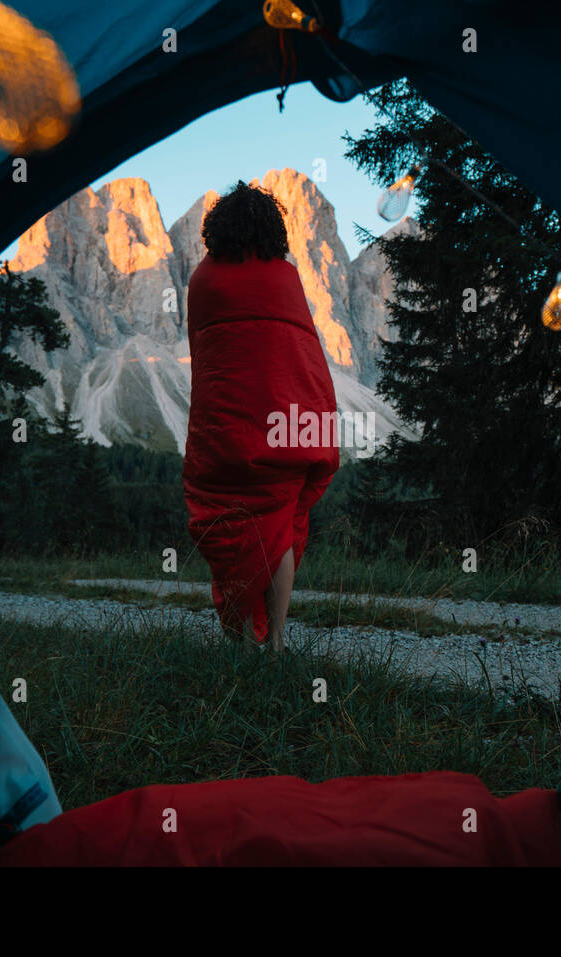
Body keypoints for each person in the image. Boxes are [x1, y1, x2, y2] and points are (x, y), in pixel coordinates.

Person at [182, 181, 339, 653]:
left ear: (218, 230)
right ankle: (276, 645)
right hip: (287, 425)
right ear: (272, 228)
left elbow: (206, 356)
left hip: (224, 433)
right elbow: (301, 351)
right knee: (280, 525)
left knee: (229, 526)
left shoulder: (202, 281)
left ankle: (238, 641)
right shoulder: (285, 276)